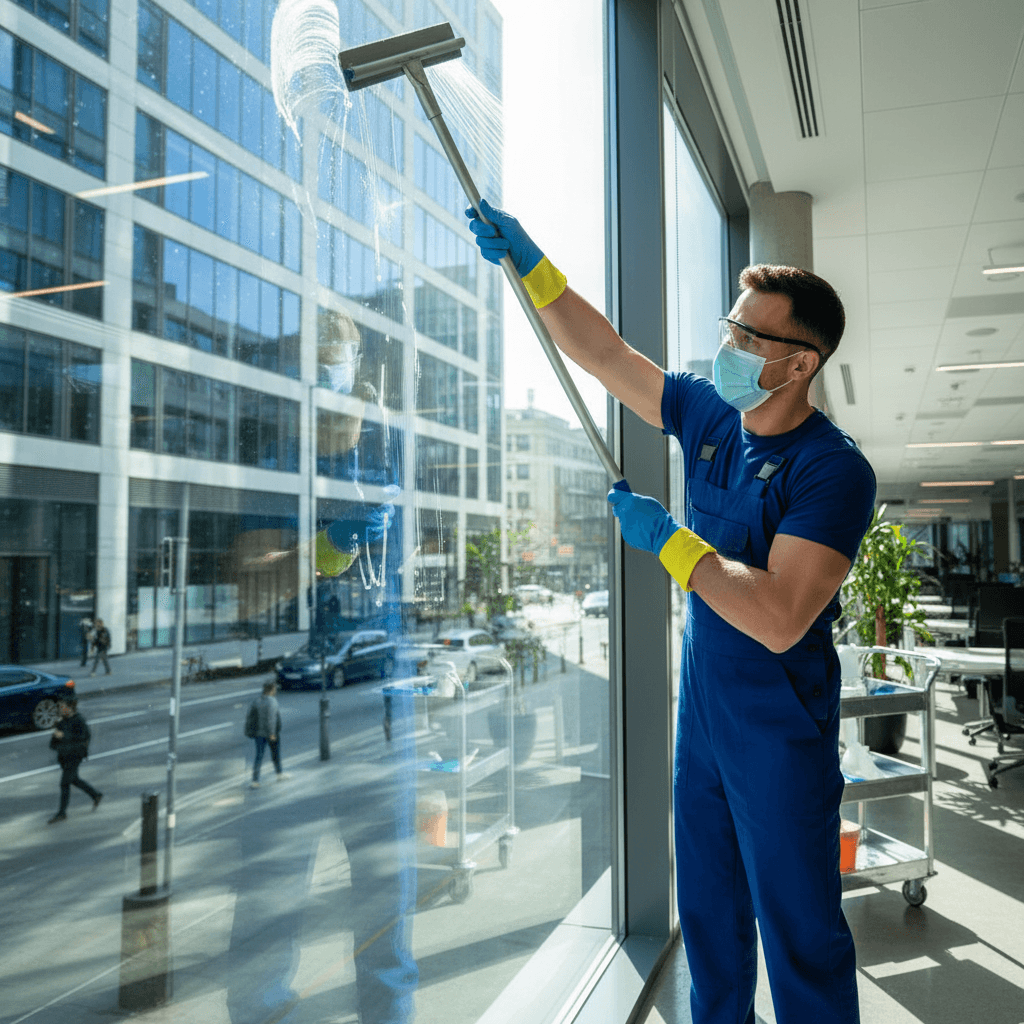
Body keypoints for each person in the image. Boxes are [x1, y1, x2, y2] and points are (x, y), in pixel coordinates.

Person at [466, 199, 875, 1024]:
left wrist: (671, 544)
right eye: (733, 327)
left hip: (781, 743)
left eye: (752, 338)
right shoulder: (711, 415)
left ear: (801, 364)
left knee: (801, 938)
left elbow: (780, 615)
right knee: (712, 931)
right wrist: (533, 268)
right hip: (706, 736)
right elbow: (606, 352)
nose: (731, 347)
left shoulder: (833, 471)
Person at [48, 695, 102, 823]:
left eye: (62, 707)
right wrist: (56, 737)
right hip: (65, 757)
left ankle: (62, 813)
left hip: (75, 756)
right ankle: (96, 795)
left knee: (64, 783)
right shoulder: (61, 722)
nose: (60, 709)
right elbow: (52, 745)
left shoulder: (79, 721)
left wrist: (64, 736)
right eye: (59, 707)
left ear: (70, 707)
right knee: (74, 779)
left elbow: (83, 739)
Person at [248, 682, 288, 787]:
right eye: (274, 689)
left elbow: (251, 716)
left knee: (259, 756)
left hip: (259, 733)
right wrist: (272, 733)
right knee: (275, 754)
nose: (275, 691)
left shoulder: (257, 700)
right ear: (271, 690)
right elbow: (271, 719)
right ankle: (279, 774)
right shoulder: (272, 701)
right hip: (270, 733)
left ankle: (255, 780)